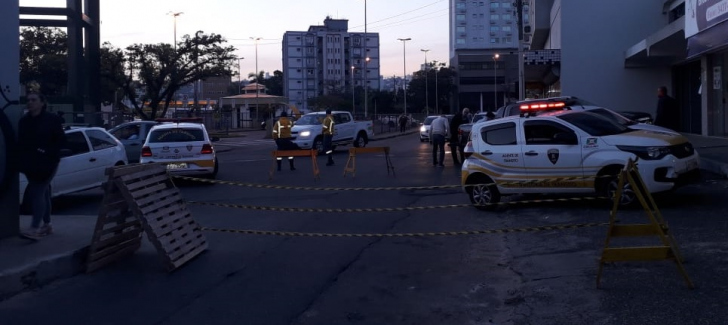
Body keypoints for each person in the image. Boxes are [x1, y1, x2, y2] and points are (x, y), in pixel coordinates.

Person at [18, 91, 66, 239]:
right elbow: (21, 142)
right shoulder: (24, 121)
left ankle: (34, 228)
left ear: (42, 103)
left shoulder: (51, 120)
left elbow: (61, 141)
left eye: (33, 100)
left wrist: (46, 151)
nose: (30, 102)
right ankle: (47, 225)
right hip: (31, 164)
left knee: (37, 192)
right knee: (43, 193)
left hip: (48, 162)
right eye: (28, 100)